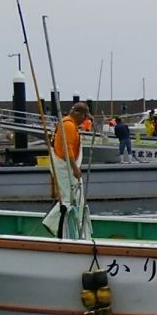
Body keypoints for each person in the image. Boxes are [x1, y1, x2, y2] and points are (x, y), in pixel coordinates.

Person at [51, 101, 90, 237]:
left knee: (77, 196)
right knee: (70, 198)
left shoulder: (71, 125)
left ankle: (75, 226)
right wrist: (75, 168)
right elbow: (67, 149)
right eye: (85, 116)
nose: (85, 120)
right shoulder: (68, 125)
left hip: (66, 164)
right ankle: (57, 226)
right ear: (78, 114)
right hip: (64, 165)